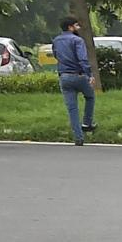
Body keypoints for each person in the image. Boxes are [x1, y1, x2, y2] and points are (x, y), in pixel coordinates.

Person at [52, 17, 96, 146]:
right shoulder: (77, 40)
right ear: (70, 27)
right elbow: (82, 59)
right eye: (77, 26)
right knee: (90, 96)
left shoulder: (56, 40)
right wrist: (89, 75)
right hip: (79, 75)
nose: (79, 28)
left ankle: (78, 137)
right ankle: (87, 123)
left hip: (64, 77)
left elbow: (56, 55)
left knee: (72, 108)